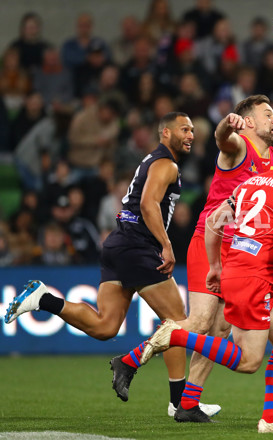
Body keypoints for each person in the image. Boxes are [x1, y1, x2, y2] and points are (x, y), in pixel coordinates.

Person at [114, 130, 273, 433]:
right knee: (248, 361)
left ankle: (270, 419)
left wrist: (216, 266)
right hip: (254, 277)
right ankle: (177, 336)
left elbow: (214, 219)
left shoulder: (250, 183)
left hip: (240, 269)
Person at [4, 112, 194, 408]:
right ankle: (181, 403)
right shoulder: (166, 164)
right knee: (176, 321)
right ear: (165, 133)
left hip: (118, 244)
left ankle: (43, 300)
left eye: (192, 130)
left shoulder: (151, 161)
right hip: (138, 247)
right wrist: (166, 245)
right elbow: (147, 204)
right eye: (184, 129)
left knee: (105, 327)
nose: (191, 135)